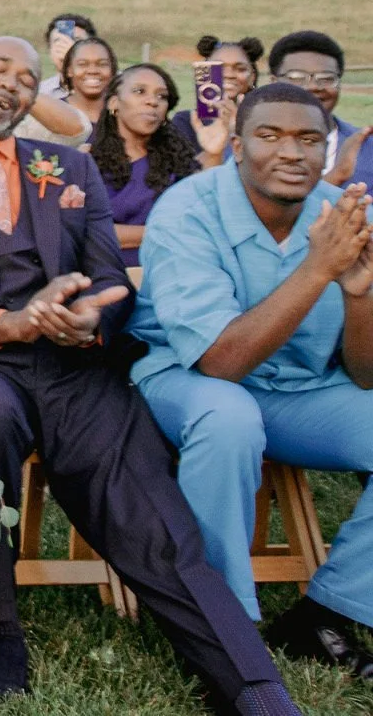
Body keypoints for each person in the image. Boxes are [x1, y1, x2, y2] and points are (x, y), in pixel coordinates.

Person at [0, 35, 297, 710]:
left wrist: (90, 315)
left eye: (28, 75)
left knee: (152, 512)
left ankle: (252, 681)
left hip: (74, 363)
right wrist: (5, 321)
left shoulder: (66, 165)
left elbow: (107, 274)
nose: (12, 81)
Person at [129, 84, 373, 684]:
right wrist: (320, 270)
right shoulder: (188, 209)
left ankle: (325, 612)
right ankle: (220, 626)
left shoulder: (341, 214)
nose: (291, 152)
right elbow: (219, 362)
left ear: (326, 149)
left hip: (300, 393)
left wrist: (360, 291)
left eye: (308, 139)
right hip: (184, 380)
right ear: (237, 146)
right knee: (228, 417)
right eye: (270, 136)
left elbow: (366, 374)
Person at [92, 62, 215, 266]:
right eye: (140, 91)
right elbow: (93, 233)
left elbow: (204, 211)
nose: (153, 101)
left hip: (172, 270)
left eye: (162, 96)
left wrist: (213, 151)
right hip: (109, 275)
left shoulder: (178, 160)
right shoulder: (88, 161)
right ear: (114, 103)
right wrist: (165, 231)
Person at [269, 31, 371, 193]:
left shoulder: (367, 148)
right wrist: (336, 176)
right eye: (297, 77)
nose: (313, 86)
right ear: (274, 82)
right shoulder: (244, 147)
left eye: (326, 78)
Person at [173, 33, 265, 151]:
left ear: (252, 77)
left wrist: (238, 127)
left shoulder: (265, 121)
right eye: (218, 68)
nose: (228, 74)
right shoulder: (186, 122)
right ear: (204, 73)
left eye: (240, 69)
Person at [40, 12, 97, 97]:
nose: (66, 47)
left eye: (77, 41)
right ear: (50, 51)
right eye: (58, 41)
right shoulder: (41, 92)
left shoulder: (110, 86)